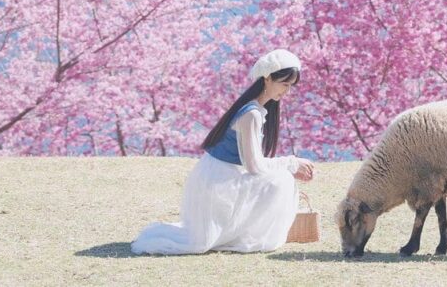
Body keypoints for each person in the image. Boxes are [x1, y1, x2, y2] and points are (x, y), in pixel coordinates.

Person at [131, 49, 315, 254]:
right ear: (267, 78)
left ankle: (241, 232)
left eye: (290, 86)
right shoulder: (251, 114)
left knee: (279, 177)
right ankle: (248, 235)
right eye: (284, 84)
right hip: (219, 185)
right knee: (282, 180)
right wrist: (291, 163)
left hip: (216, 180)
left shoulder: (253, 109)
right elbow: (254, 167)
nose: (287, 91)